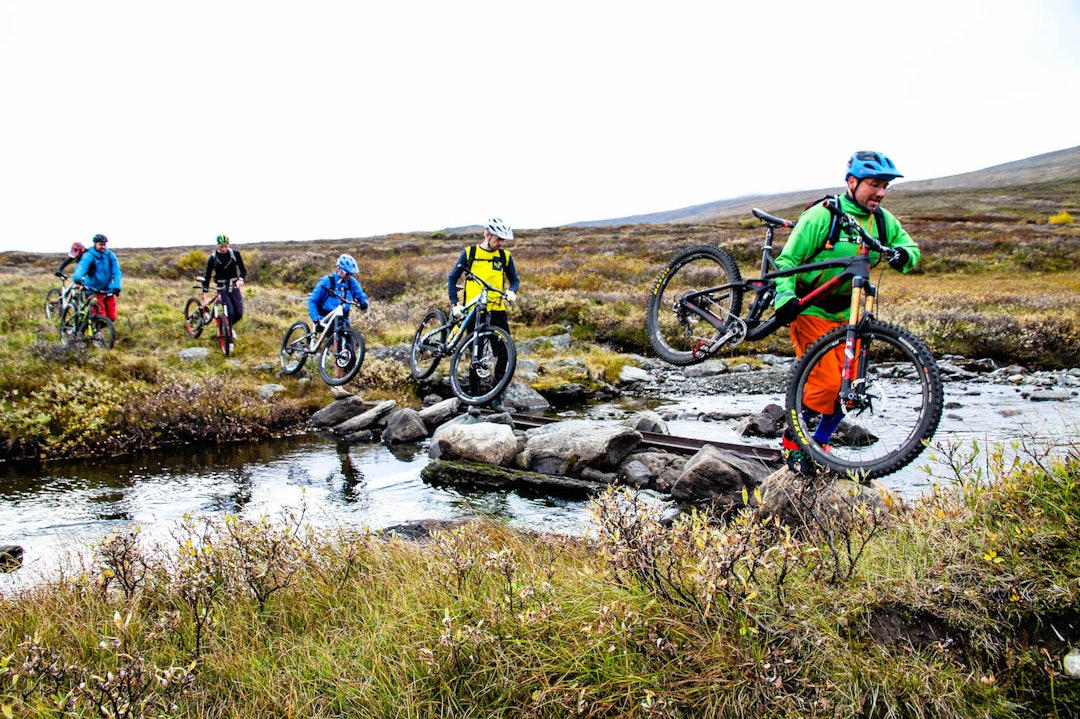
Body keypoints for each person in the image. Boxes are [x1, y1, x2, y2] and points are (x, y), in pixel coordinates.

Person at [772, 151, 921, 473]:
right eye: (875, 185)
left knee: (850, 386)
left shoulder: (883, 221)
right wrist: (784, 295)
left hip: (850, 316)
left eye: (885, 186)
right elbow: (787, 261)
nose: (881, 193)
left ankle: (821, 442)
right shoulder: (823, 216)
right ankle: (793, 440)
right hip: (812, 308)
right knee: (826, 384)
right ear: (852, 182)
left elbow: (911, 249)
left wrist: (903, 255)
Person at [446, 217, 521, 412]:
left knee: (504, 353)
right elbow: (452, 278)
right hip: (475, 311)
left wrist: (512, 291)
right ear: (487, 234)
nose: (501, 243)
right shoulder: (470, 253)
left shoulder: (505, 256)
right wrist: (455, 304)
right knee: (476, 355)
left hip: (497, 310)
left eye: (503, 240)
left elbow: (514, 280)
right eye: (498, 239)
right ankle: (474, 399)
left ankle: (495, 397)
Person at [201, 234, 247, 339]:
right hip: (222, 286)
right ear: (217, 245)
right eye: (222, 246)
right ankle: (228, 336)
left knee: (238, 313)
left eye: (226, 246)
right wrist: (205, 293)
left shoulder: (235, 254)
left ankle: (227, 327)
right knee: (229, 312)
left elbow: (243, 270)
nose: (224, 249)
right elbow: (207, 276)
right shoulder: (213, 258)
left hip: (234, 285)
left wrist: (240, 279)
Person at [308, 253, 370, 328]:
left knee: (350, 335)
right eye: (347, 273)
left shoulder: (351, 282)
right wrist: (315, 318)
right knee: (332, 334)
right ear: (338, 269)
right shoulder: (326, 281)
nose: (349, 276)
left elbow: (361, 295)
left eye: (351, 274)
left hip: (343, 320)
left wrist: (364, 303)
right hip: (325, 320)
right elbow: (313, 300)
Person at [72, 234, 123, 321]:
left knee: (112, 317)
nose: (103, 247)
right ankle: (95, 328)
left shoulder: (110, 256)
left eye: (104, 244)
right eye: (100, 244)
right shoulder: (89, 256)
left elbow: (117, 272)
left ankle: (100, 325)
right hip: (93, 289)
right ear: (95, 244)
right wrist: (77, 279)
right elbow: (81, 268)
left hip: (108, 289)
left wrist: (117, 286)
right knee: (99, 316)